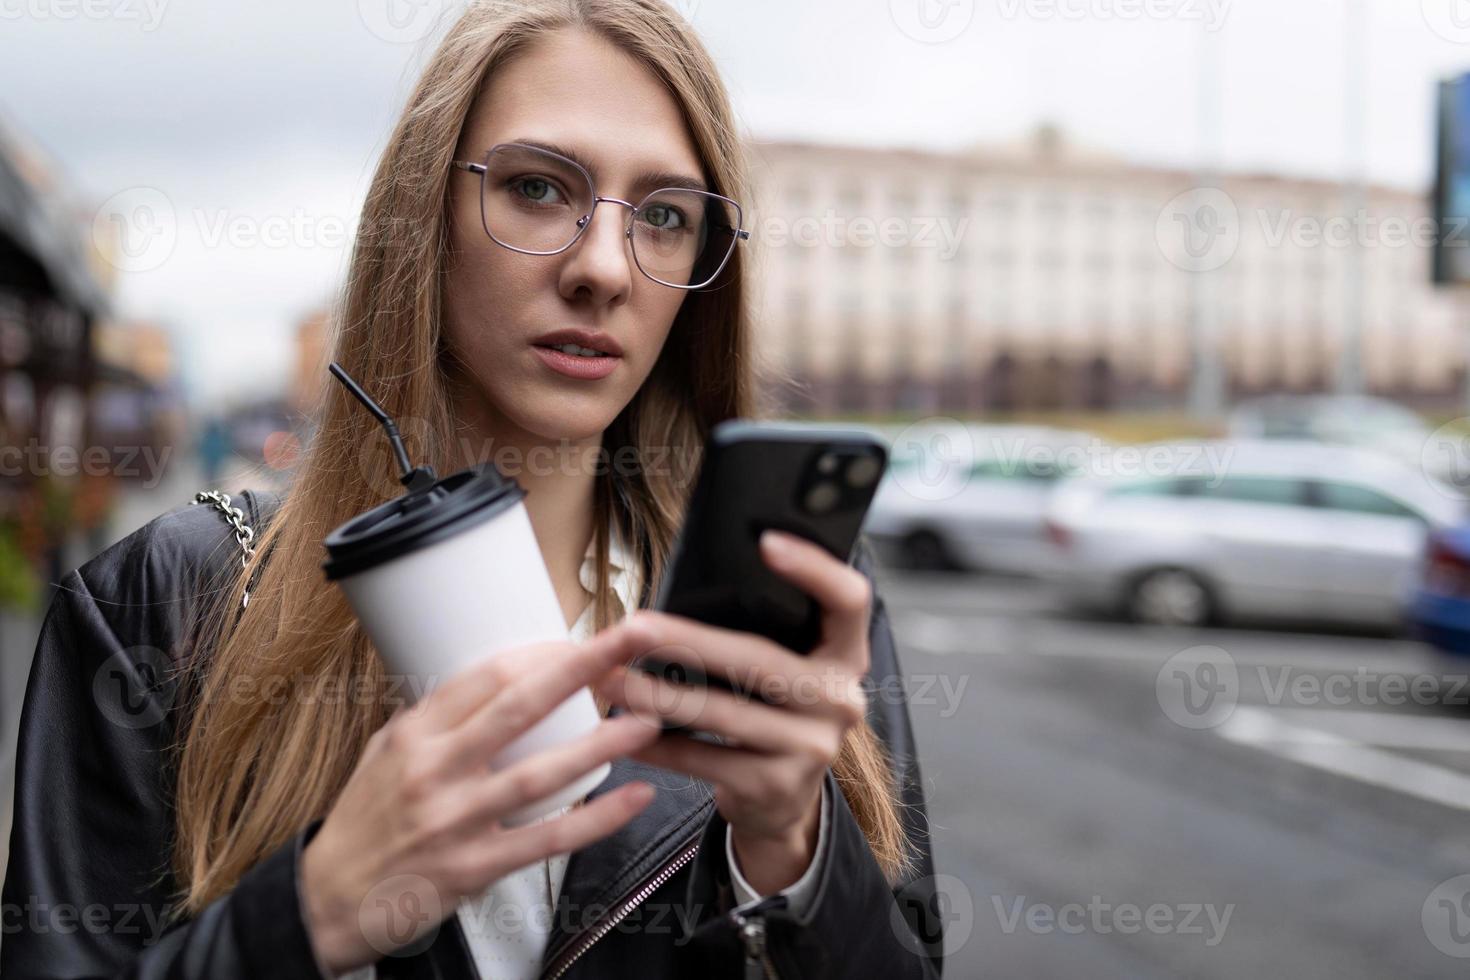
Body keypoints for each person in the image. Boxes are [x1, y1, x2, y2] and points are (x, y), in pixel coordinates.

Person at [0, 2, 943, 977]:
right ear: (423, 218)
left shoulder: (794, 602)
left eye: (664, 214)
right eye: (538, 188)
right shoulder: (164, 601)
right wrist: (308, 910)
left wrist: (791, 855)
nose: (603, 268)